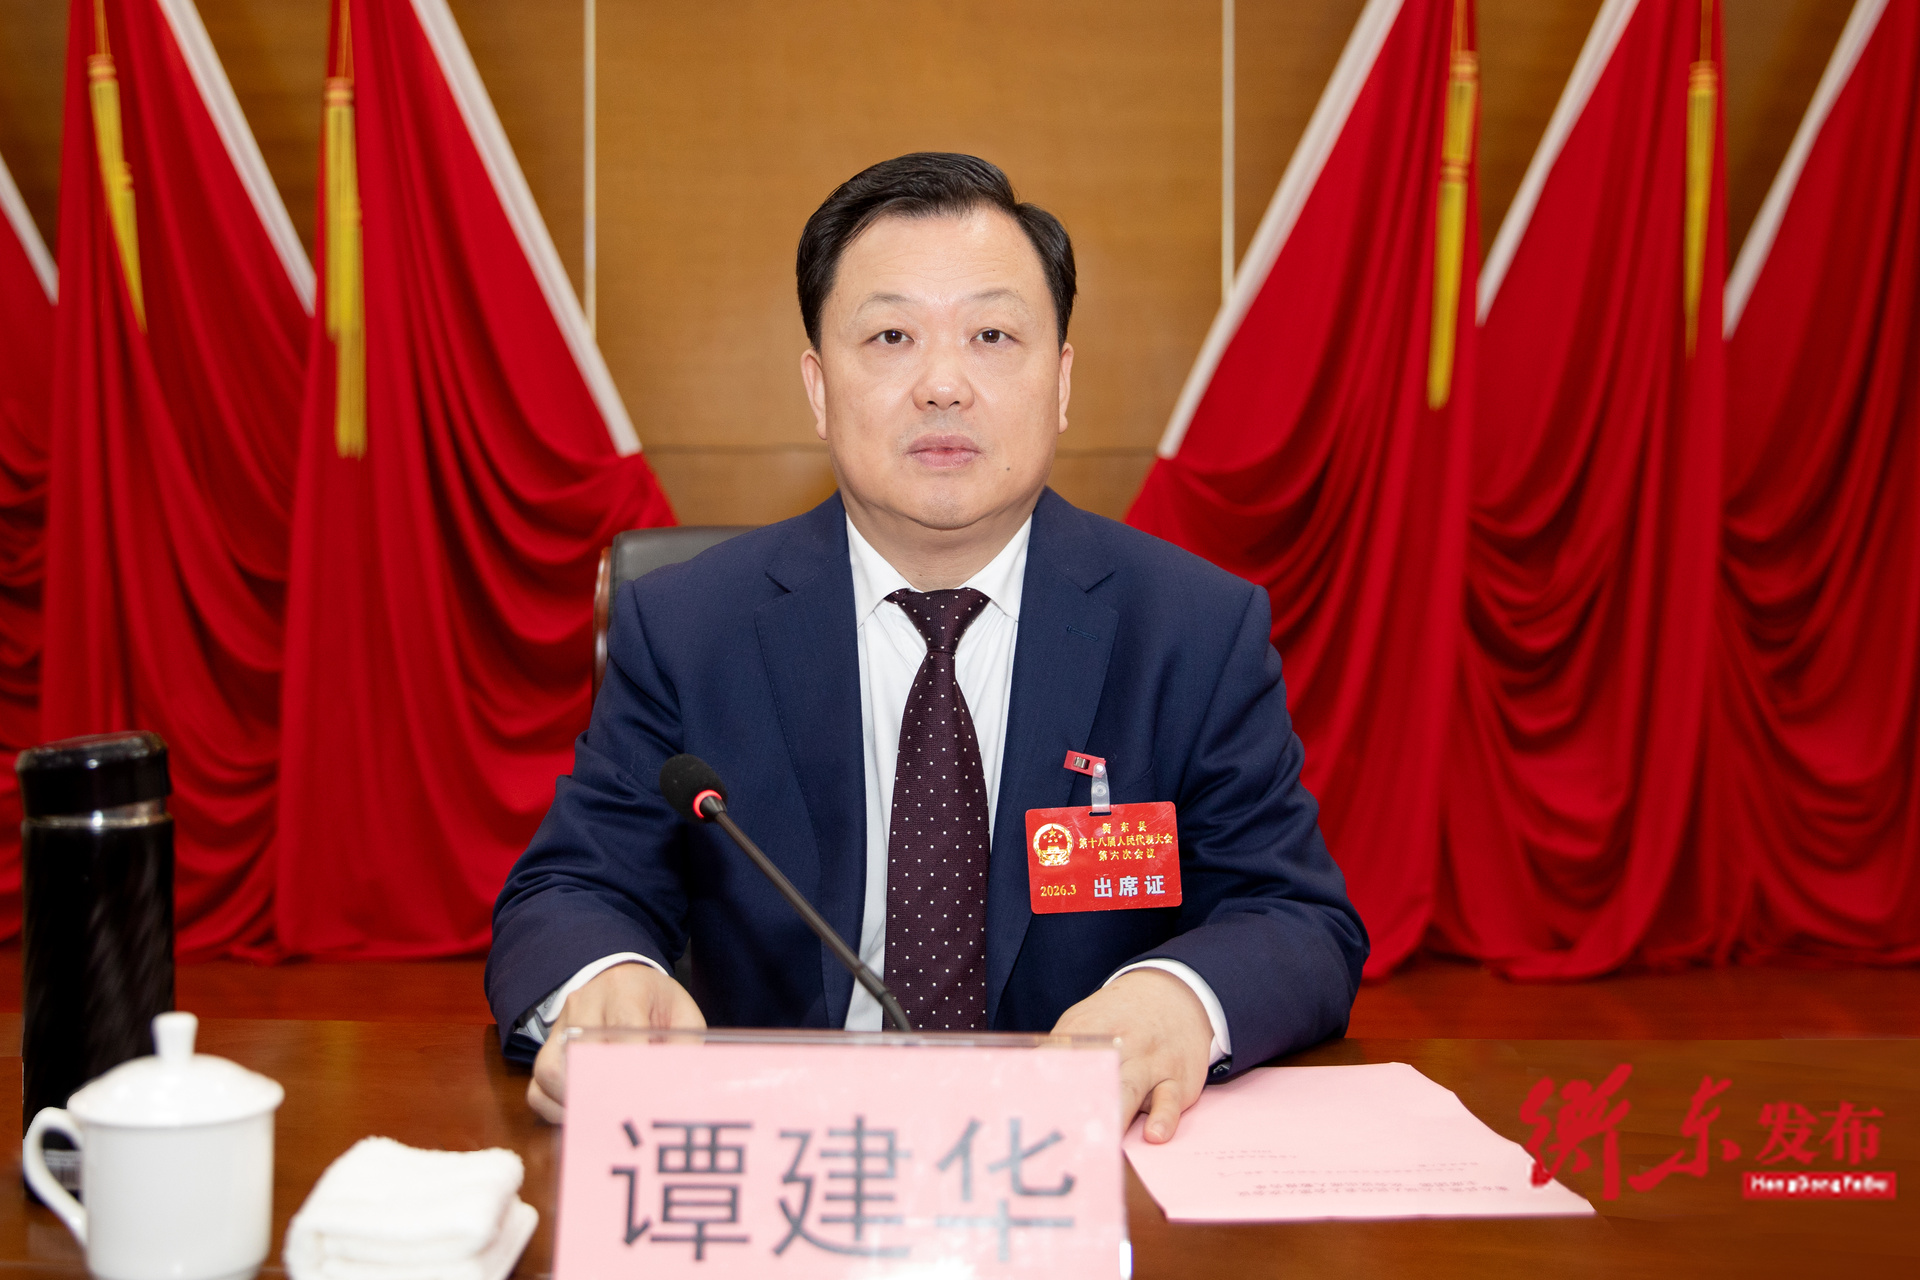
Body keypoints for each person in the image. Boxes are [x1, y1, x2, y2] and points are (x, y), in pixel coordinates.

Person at [486, 153, 1367, 1140]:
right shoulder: (689, 629)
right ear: (818, 387)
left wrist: (1177, 998)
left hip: (1084, 1152)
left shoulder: (1192, 631)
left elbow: (1296, 916)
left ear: (1061, 380)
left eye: (992, 335)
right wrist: (606, 980)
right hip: (786, 1151)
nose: (943, 385)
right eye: (891, 336)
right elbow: (571, 888)